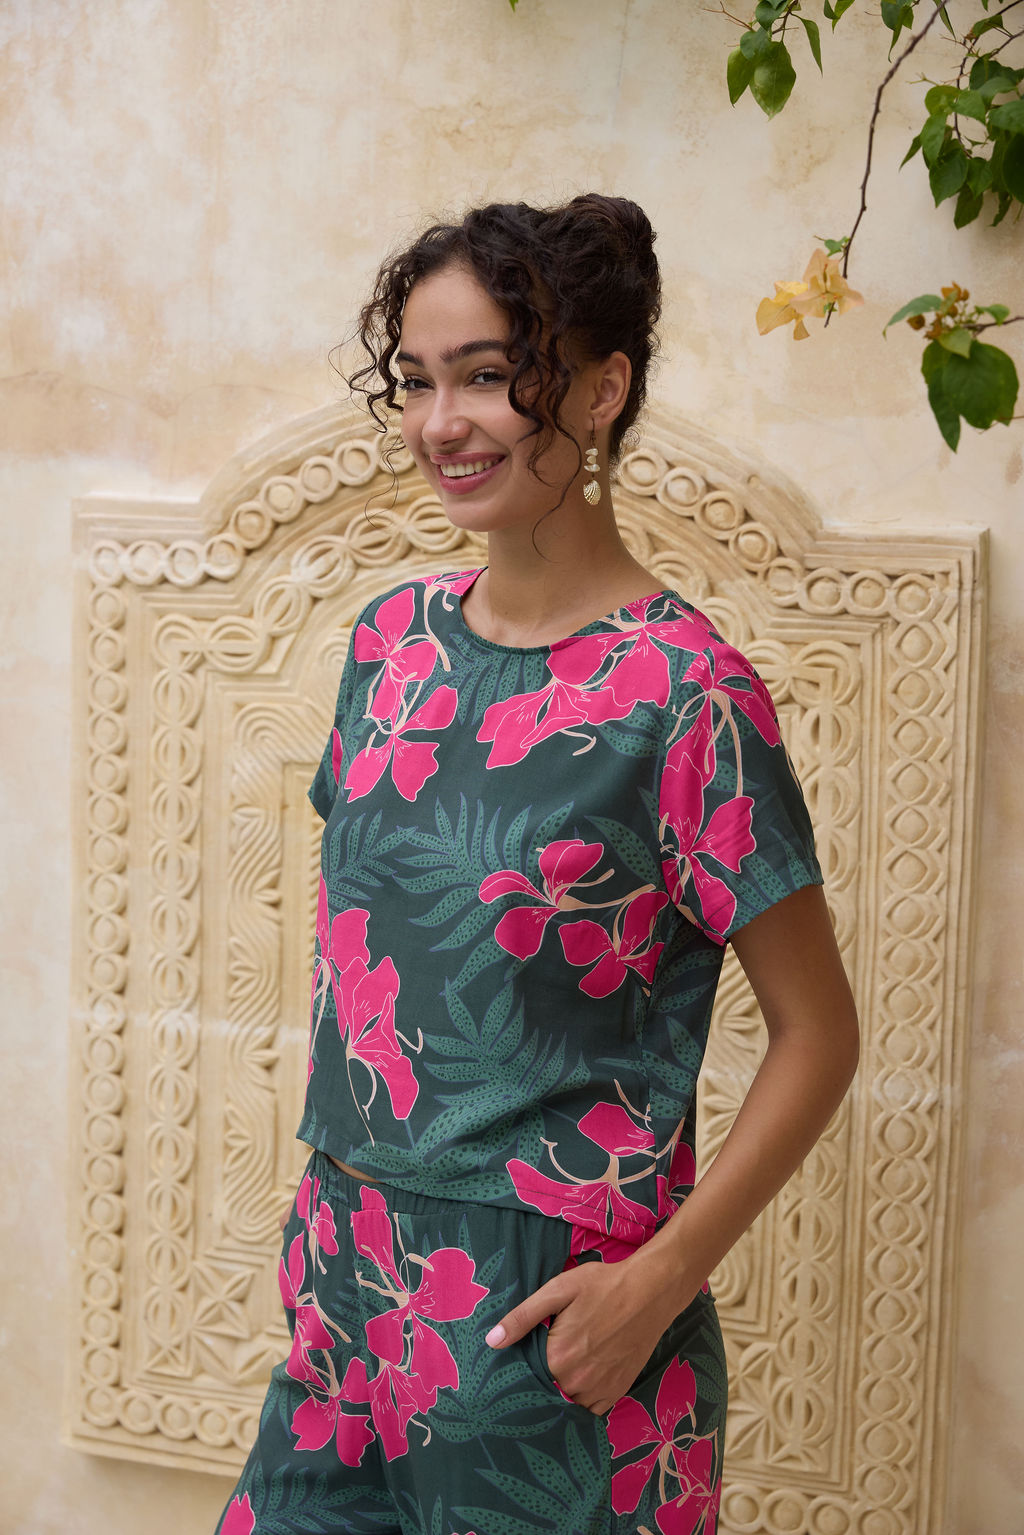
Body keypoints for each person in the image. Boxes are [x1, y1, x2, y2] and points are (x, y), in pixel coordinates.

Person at [215, 194, 859, 1535]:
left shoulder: (686, 699)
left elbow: (820, 1033)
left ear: (603, 388)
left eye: (493, 378)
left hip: (547, 1330)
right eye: (420, 380)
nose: (443, 423)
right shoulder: (390, 644)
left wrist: (662, 1279)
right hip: (346, 1290)